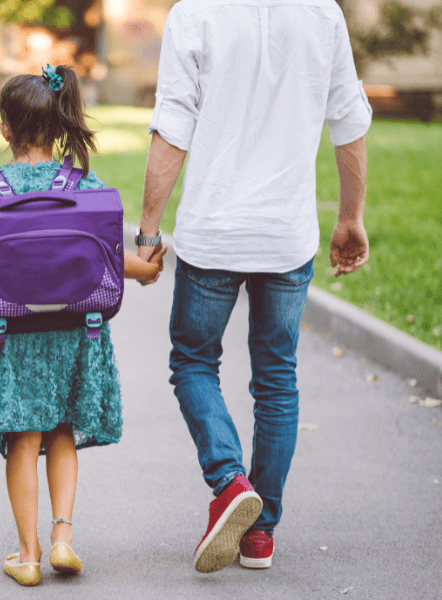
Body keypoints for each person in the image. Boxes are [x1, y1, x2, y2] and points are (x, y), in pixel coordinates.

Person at [136, 0, 372, 573]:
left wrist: (147, 231)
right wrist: (349, 217)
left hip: (213, 233)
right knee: (276, 378)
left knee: (193, 361)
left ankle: (228, 480)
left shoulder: (194, 14)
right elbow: (350, 121)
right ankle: (260, 534)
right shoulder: (323, 14)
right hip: (286, 235)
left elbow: (173, 126)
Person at [0, 65, 166, 587]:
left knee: (23, 439)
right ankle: (64, 538)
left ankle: (28, 555)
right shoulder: (83, 185)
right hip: (73, 330)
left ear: (6, 129)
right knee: (62, 428)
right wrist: (148, 271)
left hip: (8, 333)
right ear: (60, 122)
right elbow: (111, 258)